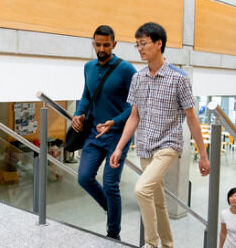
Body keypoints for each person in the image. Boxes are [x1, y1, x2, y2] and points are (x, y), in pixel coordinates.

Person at [107, 22, 210, 248]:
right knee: (158, 201)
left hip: (168, 145)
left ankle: (151, 244)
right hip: (145, 146)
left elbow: (192, 117)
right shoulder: (138, 78)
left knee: (142, 190)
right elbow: (134, 116)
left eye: (143, 44)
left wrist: (203, 155)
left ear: (158, 43)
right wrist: (119, 147)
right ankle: (168, 245)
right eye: (137, 45)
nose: (140, 49)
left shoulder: (179, 78)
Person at [72, 25, 136, 240]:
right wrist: (78, 113)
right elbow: (86, 95)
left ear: (114, 44)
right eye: (98, 44)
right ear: (93, 44)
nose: (101, 48)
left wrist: (114, 121)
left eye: (106, 45)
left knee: (110, 184)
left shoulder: (127, 70)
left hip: (117, 136)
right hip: (93, 134)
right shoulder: (88, 67)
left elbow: (134, 107)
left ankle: (113, 233)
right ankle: (112, 209)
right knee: (84, 177)